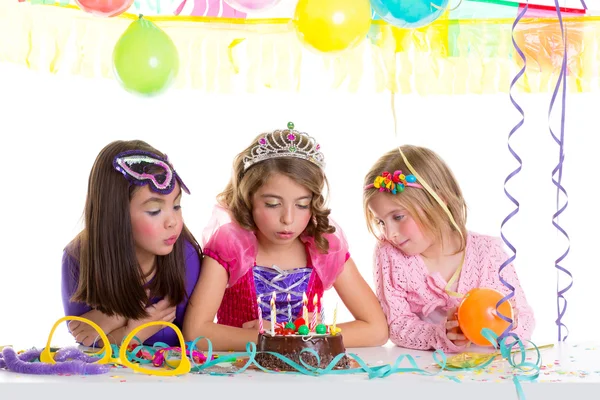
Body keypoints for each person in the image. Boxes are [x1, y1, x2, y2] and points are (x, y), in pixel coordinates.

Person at [183, 123, 388, 350]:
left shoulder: (323, 246)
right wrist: (272, 340)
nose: (288, 219)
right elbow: (195, 332)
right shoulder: (231, 246)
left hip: (309, 377)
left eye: (302, 205)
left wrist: (287, 337)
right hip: (242, 375)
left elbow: (377, 330)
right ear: (248, 198)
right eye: (272, 204)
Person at [363, 145, 535, 352]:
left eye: (398, 217)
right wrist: (439, 335)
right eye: (381, 222)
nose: (390, 233)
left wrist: (507, 330)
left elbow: (524, 316)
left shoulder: (488, 252)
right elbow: (397, 324)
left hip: (489, 369)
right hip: (427, 371)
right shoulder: (390, 255)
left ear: (439, 201)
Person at [62, 140, 201, 347]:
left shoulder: (185, 257)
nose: (173, 222)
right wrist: (131, 324)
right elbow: (87, 343)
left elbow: (190, 341)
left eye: (177, 206)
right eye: (154, 211)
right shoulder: (77, 258)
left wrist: (116, 324)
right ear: (115, 216)